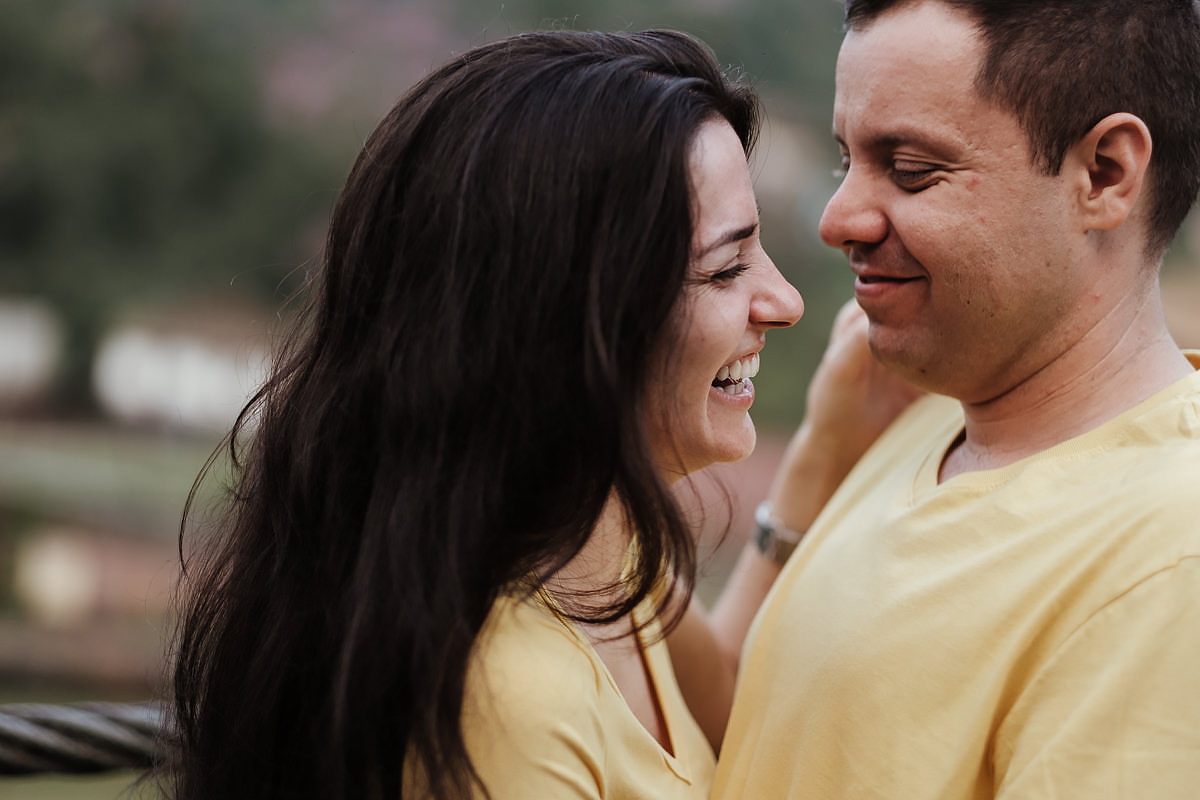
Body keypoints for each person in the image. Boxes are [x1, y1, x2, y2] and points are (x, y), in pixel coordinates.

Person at [167, 28, 806, 800]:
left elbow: (729, 703)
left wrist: (827, 447)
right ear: (566, 320)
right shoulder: (509, 706)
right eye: (727, 267)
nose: (786, 301)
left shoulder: (601, 555)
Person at [712, 0, 1200, 797]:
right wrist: (819, 467)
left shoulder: (1170, 556)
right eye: (846, 162)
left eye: (910, 170)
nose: (839, 218)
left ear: (1105, 174)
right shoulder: (927, 411)